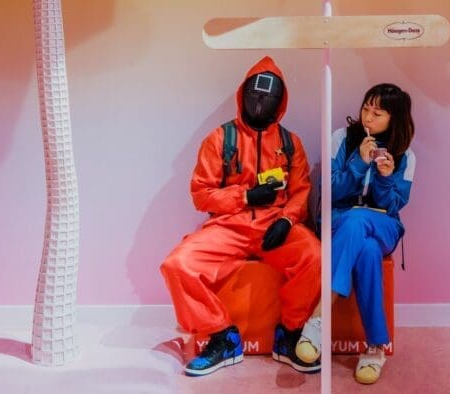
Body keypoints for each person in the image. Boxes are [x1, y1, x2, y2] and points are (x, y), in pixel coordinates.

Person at [160, 56, 321, 376]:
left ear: (281, 101)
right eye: (254, 95)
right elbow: (201, 194)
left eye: (268, 97)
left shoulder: (291, 143)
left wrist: (287, 220)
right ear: (241, 95)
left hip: (275, 224)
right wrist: (245, 196)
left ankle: (288, 336)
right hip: (228, 224)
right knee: (178, 265)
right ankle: (221, 337)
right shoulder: (219, 139)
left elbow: (301, 191)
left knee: (315, 257)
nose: (260, 103)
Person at [331, 83, 415, 385]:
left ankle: (319, 316)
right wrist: (358, 163)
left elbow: (393, 206)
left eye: (377, 113)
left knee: (359, 221)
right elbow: (330, 191)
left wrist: (384, 177)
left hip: (384, 225)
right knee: (365, 250)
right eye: (366, 108)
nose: (368, 117)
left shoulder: (406, 155)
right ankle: (376, 345)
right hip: (342, 222)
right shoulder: (342, 139)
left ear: (394, 119)